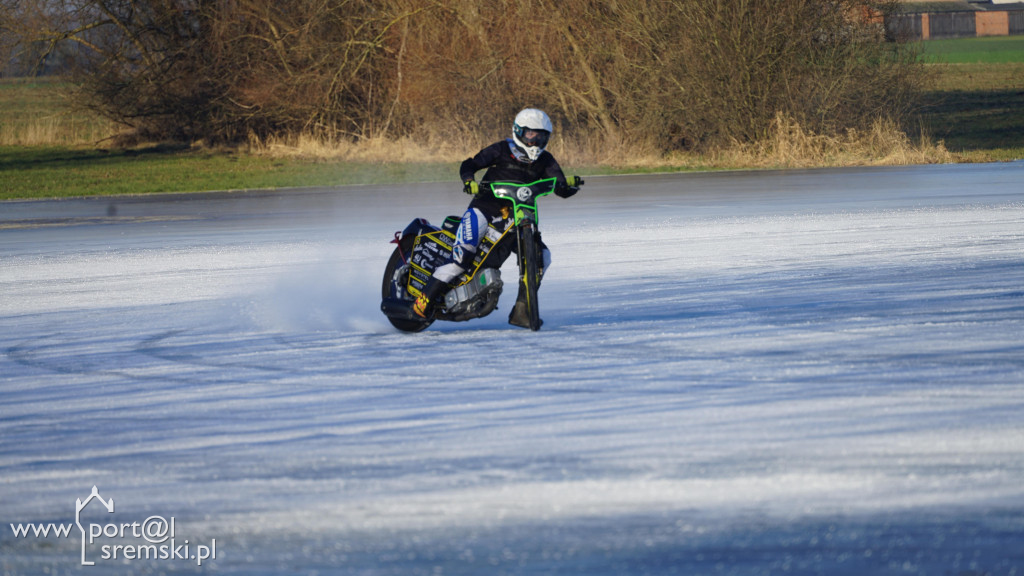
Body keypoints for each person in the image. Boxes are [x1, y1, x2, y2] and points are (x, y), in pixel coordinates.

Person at [413, 108, 582, 328]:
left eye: (540, 136)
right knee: (461, 258)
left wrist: (570, 186)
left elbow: (560, 187)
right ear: (518, 131)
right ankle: (422, 303)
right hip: (484, 209)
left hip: (519, 218)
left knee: (543, 258)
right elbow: (470, 164)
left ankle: (522, 311)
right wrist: (469, 181)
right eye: (531, 134)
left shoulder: (545, 159)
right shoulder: (502, 149)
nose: (535, 141)